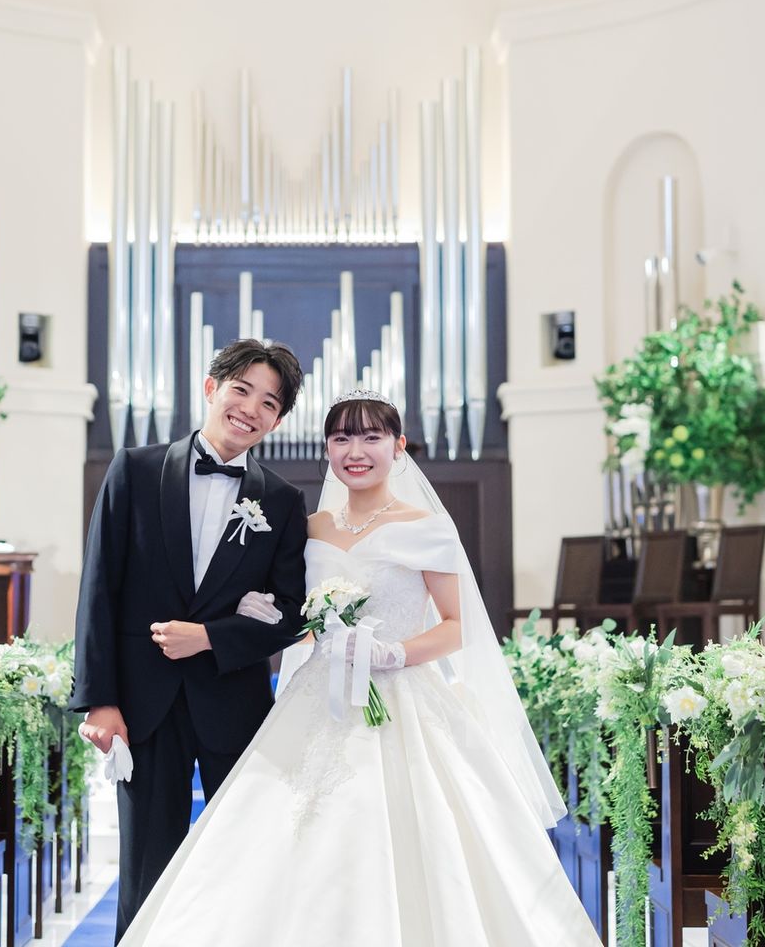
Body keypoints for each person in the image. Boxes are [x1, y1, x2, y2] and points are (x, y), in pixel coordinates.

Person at [116, 389, 603, 946]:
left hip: (401, 698)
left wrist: (392, 653)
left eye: (372, 437)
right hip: (317, 695)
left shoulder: (427, 526)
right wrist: (258, 610)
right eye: (342, 438)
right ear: (326, 448)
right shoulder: (309, 527)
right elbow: (295, 615)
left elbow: (456, 625)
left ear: (398, 447)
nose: (356, 451)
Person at [71, 338, 309, 942]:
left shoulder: (283, 502)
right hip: (143, 708)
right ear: (211, 388)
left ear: (278, 420)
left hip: (235, 707)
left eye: (269, 403)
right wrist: (100, 700)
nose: (251, 409)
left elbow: (290, 615)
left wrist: (209, 637)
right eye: (241, 390)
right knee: (146, 873)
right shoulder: (133, 470)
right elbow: (98, 589)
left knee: (238, 869)